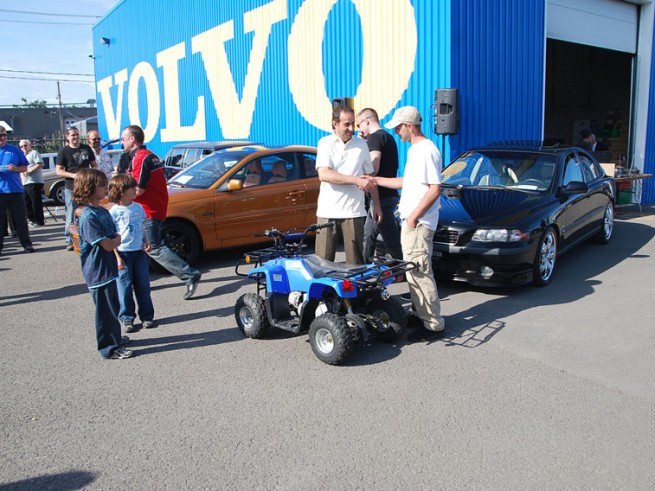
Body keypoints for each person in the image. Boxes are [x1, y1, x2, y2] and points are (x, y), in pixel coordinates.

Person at [370, 106, 446, 341]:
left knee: (420, 271)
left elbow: (435, 188)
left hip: (418, 223)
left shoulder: (426, 151)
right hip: (413, 221)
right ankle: (420, 312)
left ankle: (433, 324)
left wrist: (413, 217)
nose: (396, 131)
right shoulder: (416, 150)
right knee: (413, 271)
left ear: (410, 126)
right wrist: (375, 180)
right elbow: (407, 182)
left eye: (398, 127)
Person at [120, 124, 201, 299]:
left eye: (124, 139)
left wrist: (120, 199)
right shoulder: (151, 156)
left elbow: (138, 190)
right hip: (154, 208)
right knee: (141, 247)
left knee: (153, 247)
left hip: (147, 211)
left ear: (132, 139)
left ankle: (190, 274)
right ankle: (139, 282)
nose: (122, 142)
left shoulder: (141, 158)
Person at [74, 168, 132, 359]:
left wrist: (115, 239)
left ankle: (115, 337)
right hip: (97, 270)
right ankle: (109, 348)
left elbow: (113, 235)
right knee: (105, 312)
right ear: (89, 188)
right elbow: (106, 244)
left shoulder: (100, 210)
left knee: (112, 306)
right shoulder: (88, 216)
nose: (106, 188)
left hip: (108, 267)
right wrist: (116, 240)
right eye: (101, 185)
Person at [315, 105, 379, 265]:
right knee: (322, 264)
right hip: (328, 211)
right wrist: (355, 180)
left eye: (353, 123)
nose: (351, 128)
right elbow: (324, 174)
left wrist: (377, 205)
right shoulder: (325, 143)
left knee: (355, 265)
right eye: (346, 124)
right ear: (335, 123)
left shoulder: (361, 145)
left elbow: (370, 177)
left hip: (354, 212)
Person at [109, 174, 158, 333]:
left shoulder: (138, 207)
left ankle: (147, 316)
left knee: (143, 286)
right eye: (131, 188)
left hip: (139, 253)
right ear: (122, 191)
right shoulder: (114, 211)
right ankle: (127, 317)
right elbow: (112, 235)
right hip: (123, 253)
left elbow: (142, 226)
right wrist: (117, 257)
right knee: (124, 287)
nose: (135, 190)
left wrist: (146, 241)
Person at [355, 108, 403, 262]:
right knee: (368, 236)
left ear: (367, 121)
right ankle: (363, 266)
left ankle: (402, 268)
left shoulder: (374, 138)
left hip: (381, 197)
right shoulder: (388, 137)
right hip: (386, 195)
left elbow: (373, 169)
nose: (359, 130)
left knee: (390, 239)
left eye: (359, 125)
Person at [56, 127, 96, 251]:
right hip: (71, 187)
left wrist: (90, 176)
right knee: (71, 213)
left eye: (77, 135)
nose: (75, 137)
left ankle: (88, 237)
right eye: (73, 135)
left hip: (86, 186)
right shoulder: (64, 151)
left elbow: (94, 165)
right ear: (67, 136)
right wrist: (73, 175)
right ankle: (69, 240)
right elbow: (59, 171)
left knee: (88, 212)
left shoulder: (86, 148)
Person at [0, 127, 35, 255]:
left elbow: (25, 167)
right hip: (0, 191)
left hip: (15, 190)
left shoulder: (14, 150)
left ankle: (27, 244)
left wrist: (15, 169)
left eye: (4, 135)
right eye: (0, 136)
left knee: (20, 219)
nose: (2, 138)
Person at [19, 139, 45, 227]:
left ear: (30, 145)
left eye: (25, 145)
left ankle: (39, 221)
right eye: (21, 146)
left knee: (35, 202)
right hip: (24, 182)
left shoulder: (34, 153)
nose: (24, 147)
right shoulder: (21, 155)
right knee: (27, 202)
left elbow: (40, 164)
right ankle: (31, 219)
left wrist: (30, 171)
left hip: (34, 181)